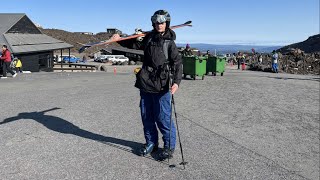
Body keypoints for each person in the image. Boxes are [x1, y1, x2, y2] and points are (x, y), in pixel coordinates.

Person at [111, 10, 182, 160]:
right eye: (156, 22)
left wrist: (176, 82)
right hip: (145, 82)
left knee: (163, 117)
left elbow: (177, 63)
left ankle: (169, 146)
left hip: (162, 85)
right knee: (147, 116)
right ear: (153, 23)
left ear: (166, 23)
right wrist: (118, 39)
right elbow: (133, 43)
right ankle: (151, 143)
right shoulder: (148, 38)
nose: (159, 25)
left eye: (162, 22)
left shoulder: (169, 43)